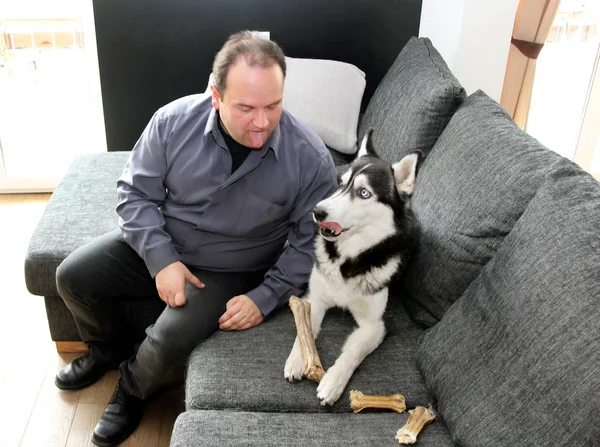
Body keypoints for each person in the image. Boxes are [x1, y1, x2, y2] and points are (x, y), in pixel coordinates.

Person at [53, 30, 337, 446]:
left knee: (167, 340)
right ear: (215, 96)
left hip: (230, 268)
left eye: (273, 106)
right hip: (164, 242)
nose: (262, 122)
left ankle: (132, 388)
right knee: (71, 276)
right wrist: (162, 261)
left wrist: (266, 296)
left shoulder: (310, 159)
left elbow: (311, 243)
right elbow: (134, 194)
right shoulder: (171, 122)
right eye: (245, 108)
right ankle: (105, 351)